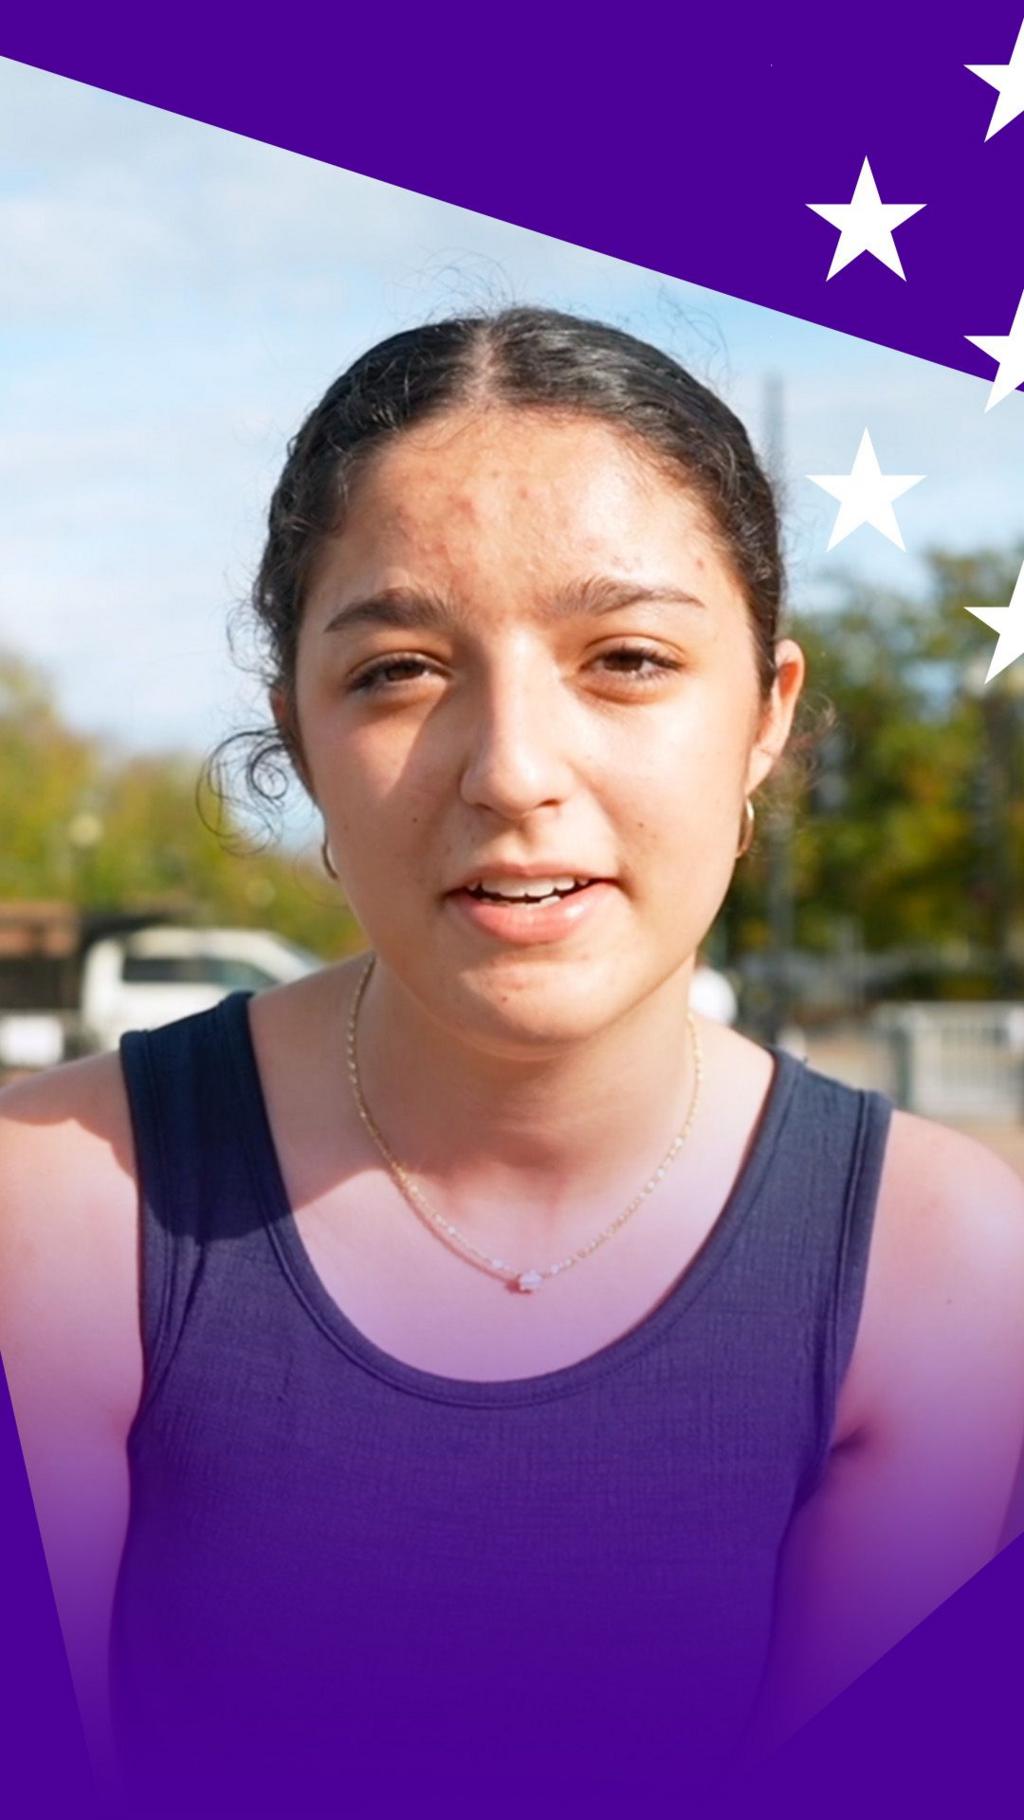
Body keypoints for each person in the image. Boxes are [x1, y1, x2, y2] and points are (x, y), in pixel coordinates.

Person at [2, 306, 1023, 1817]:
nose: (514, 772)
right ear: (297, 731)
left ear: (766, 716)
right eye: (401, 671)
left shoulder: (941, 1270)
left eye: (625, 657)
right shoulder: (60, 1211)